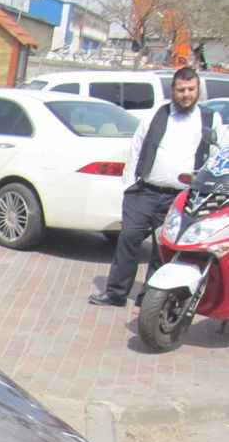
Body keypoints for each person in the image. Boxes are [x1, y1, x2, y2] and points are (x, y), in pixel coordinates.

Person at [89, 66, 222, 307]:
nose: (186, 94)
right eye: (181, 90)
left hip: (181, 196)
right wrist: (130, 185)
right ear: (173, 90)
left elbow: (216, 155)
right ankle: (116, 293)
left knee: (162, 248)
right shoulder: (155, 115)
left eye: (191, 89)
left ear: (197, 90)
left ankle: (149, 297)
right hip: (144, 191)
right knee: (128, 238)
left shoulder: (210, 118)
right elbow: (136, 149)